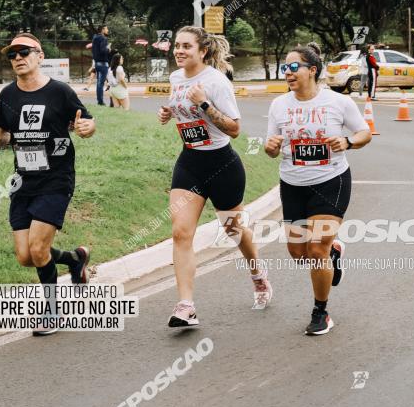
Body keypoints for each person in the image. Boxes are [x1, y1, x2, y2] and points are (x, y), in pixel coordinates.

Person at [157, 26, 271, 327]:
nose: (179, 51)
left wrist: (205, 103)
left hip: (222, 165)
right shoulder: (176, 78)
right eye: (177, 46)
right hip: (190, 161)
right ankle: (186, 306)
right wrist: (169, 113)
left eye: (186, 46)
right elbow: (183, 112)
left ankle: (258, 274)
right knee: (181, 232)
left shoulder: (216, 82)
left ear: (202, 51)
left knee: (235, 231)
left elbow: (234, 129)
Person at [0, 33, 95, 335]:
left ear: (40, 56)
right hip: (23, 180)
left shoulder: (59, 92)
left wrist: (86, 127)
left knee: (38, 248)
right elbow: (3, 133)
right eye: (12, 54)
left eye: (24, 52)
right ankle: (75, 259)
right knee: (25, 256)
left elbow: (86, 121)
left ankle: (52, 312)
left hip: (56, 179)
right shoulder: (7, 95)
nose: (18, 58)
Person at [264, 43, 372, 336]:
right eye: (284, 67)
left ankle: (320, 312)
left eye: (293, 66)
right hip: (293, 184)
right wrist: (270, 147)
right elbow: (271, 146)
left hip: (331, 180)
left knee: (315, 249)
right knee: (298, 252)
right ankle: (334, 250)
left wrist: (348, 142)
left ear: (312, 70)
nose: (287, 72)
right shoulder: (279, 105)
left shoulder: (338, 103)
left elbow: (364, 133)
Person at [91, 24, 109, 106]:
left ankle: (99, 100)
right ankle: (100, 101)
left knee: (99, 83)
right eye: (106, 29)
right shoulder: (103, 38)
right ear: (102, 30)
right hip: (102, 63)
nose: (107, 30)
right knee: (100, 83)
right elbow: (103, 50)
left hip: (97, 63)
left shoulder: (94, 38)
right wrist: (108, 49)